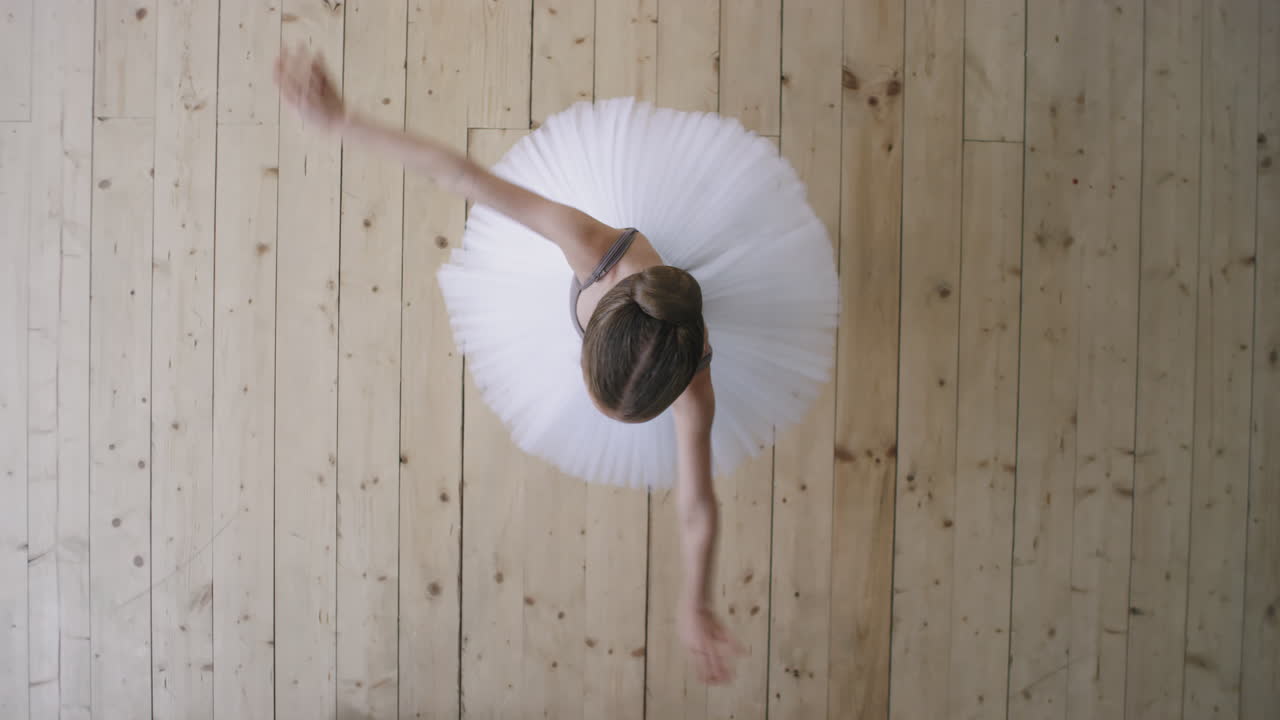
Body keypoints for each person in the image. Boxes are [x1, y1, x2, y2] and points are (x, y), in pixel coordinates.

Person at [275, 45, 838, 687]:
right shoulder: (593, 248)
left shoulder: (696, 389)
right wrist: (343, 122)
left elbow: (697, 505)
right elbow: (461, 175)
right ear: (594, 333)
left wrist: (696, 598)